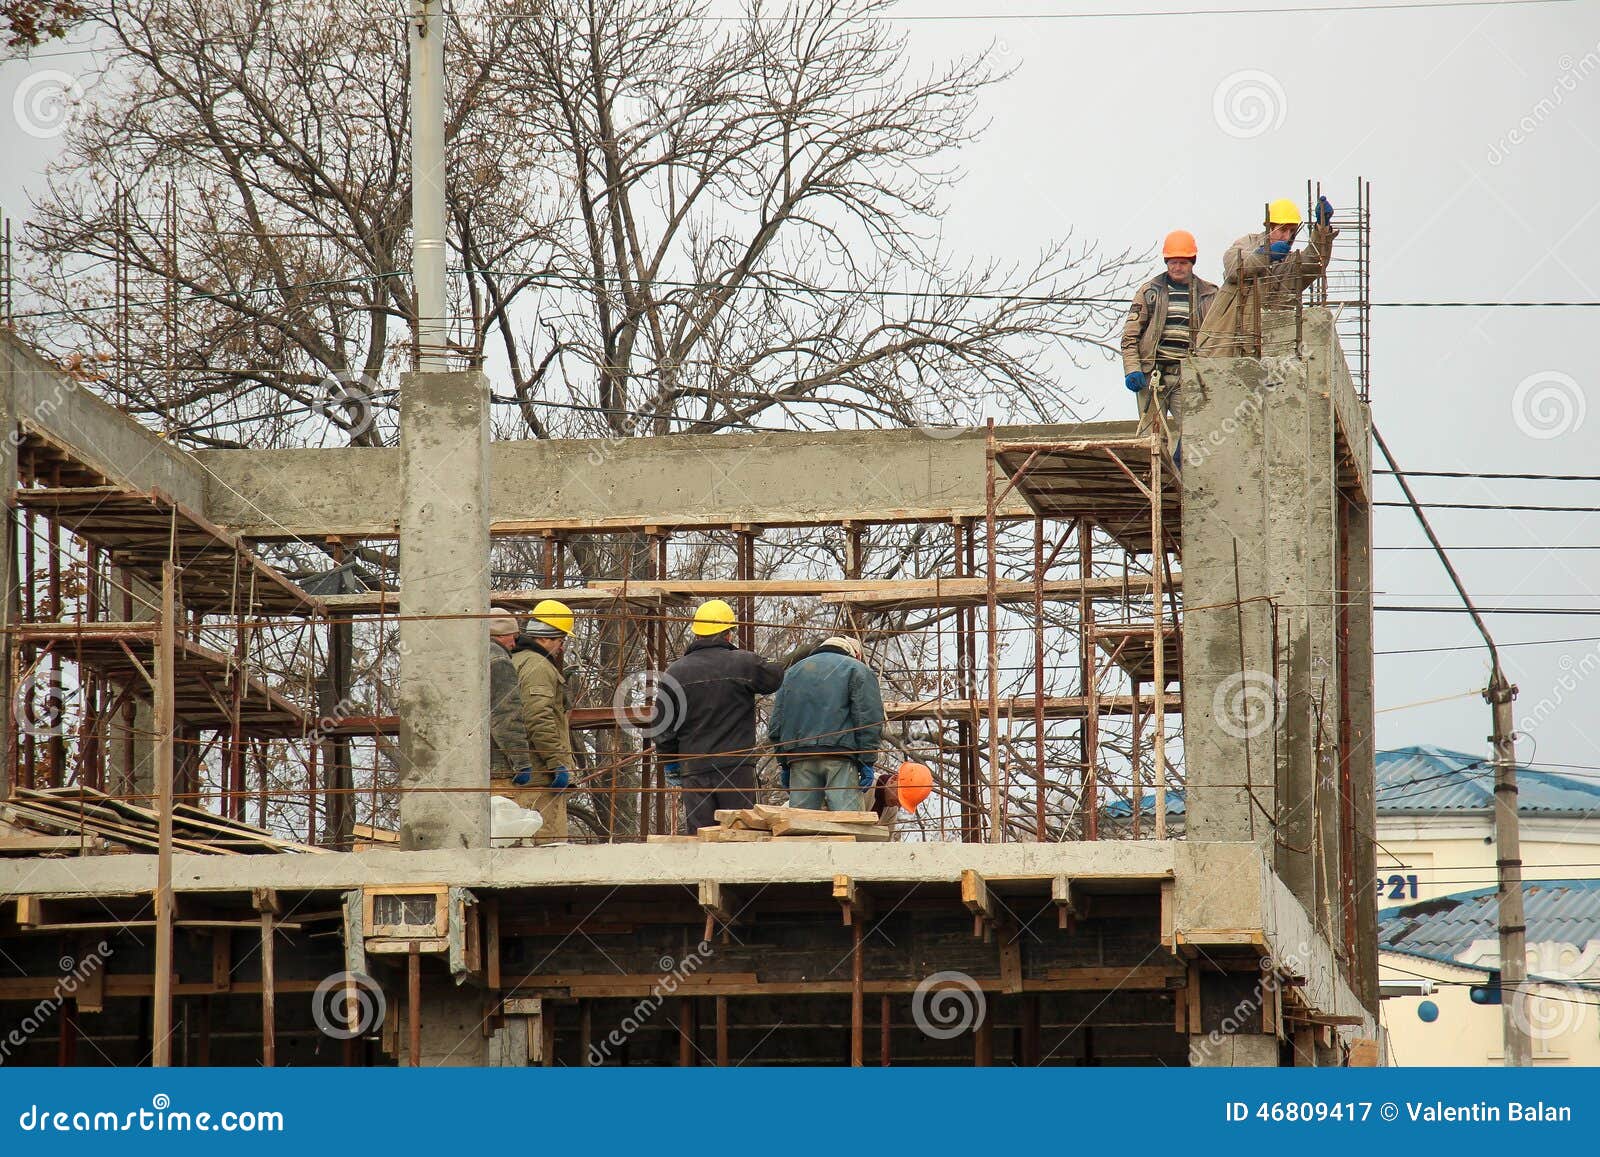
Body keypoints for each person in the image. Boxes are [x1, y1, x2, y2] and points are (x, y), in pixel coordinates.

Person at [654, 599, 788, 835]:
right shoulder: (742, 663)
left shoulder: (675, 672)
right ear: (728, 634)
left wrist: (671, 762)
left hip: (694, 770)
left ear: (697, 635)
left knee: (701, 836)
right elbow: (775, 677)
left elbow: (662, 727)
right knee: (740, 833)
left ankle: (704, 873)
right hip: (735, 768)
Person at [1196, 195, 1337, 358]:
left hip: (1269, 351)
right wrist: (1265, 255)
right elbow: (1234, 266)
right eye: (1283, 229)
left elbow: (1314, 262)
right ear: (1269, 226)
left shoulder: (1290, 263)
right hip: (1227, 345)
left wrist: (1322, 229)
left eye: (1292, 231)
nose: (1287, 236)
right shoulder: (1248, 243)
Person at [768, 634, 885, 812]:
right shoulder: (857, 669)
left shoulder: (792, 673)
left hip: (800, 759)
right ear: (856, 654)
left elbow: (776, 724)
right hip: (840, 757)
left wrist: (783, 762)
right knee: (848, 825)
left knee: (801, 825)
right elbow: (867, 719)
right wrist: (867, 760)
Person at [1121, 229, 1218, 439]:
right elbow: (1130, 336)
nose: (1177, 267)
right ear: (1166, 262)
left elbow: (1219, 336)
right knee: (1151, 439)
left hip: (1188, 377)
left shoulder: (1209, 294)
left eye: (1183, 262)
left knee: (1196, 435)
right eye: (1173, 262)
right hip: (1152, 377)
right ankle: (1156, 472)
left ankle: (1182, 467)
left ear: (1192, 262)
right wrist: (1132, 369)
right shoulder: (1150, 292)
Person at [507, 599, 578, 844]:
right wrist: (556, 762)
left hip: (525, 771)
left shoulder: (518, 660)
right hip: (538, 777)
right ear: (546, 638)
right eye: (560, 640)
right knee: (546, 847)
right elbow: (538, 717)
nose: (561, 647)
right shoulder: (538, 666)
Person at [487, 605, 536, 796]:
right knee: (499, 822)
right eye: (513, 638)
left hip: (456, 764)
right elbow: (506, 714)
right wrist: (521, 762)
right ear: (500, 635)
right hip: (493, 766)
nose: (515, 644)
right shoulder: (499, 662)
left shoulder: (459, 657)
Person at [865, 760, 934, 836]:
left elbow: (885, 844)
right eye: (899, 797)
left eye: (902, 803)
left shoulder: (891, 811)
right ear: (893, 779)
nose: (898, 805)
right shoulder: (865, 785)